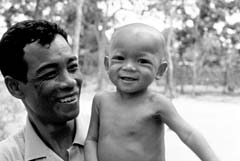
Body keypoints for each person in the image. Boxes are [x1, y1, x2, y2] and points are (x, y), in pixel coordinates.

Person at [84, 23, 220, 161]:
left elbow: (188, 134)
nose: (129, 67)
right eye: (119, 58)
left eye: (142, 61)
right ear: (108, 64)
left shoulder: (157, 103)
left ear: (160, 70)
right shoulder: (101, 101)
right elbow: (91, 140)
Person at [0, 20, 89, 161]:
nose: (70, 81)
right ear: (15, 87)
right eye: (49, 74)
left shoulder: (110, 135)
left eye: (72, 67)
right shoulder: (8, 156)